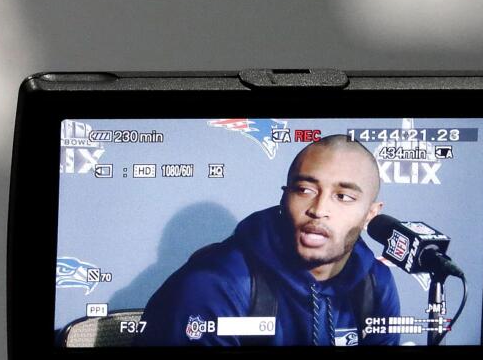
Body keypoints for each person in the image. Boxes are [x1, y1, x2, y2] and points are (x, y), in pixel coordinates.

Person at [135, 135, 401, 346]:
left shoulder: (375, 282)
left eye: (343, 196)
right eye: (305, 190)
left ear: (371, 213)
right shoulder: (216, 282)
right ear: (285, 198)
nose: (319, 209)